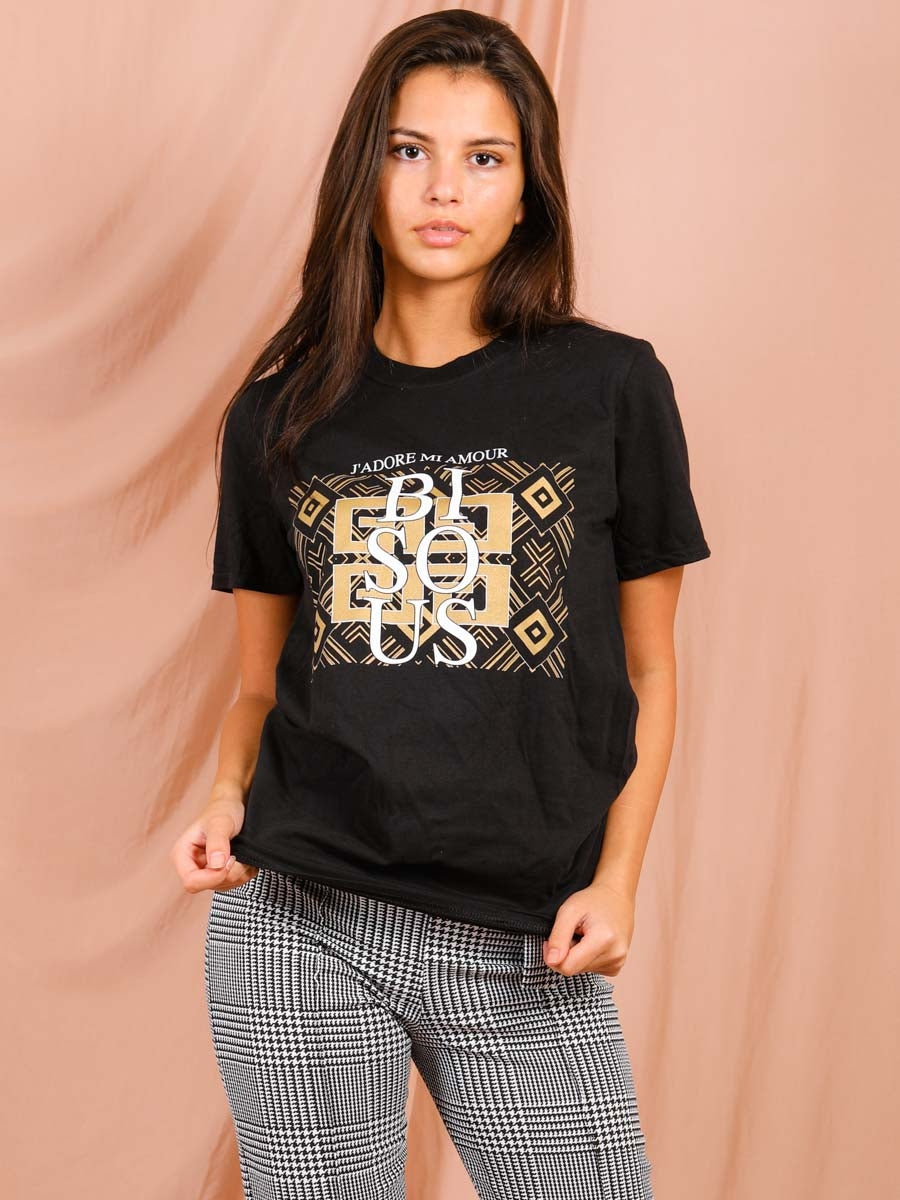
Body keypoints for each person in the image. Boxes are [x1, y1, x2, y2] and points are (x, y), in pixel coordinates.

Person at [170, 9, 711, 1198]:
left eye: (485, 157)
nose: (443, 189)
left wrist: (619, 879)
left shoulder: (610, 389)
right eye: (408, 150)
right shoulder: (279, 418)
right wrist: (223, 797)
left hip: (524, 936)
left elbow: (652, 671)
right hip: (302, 918)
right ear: (362, 175)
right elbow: (259, 684)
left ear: (529, 193)